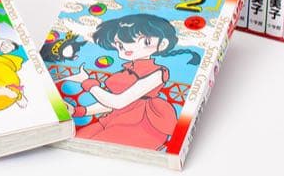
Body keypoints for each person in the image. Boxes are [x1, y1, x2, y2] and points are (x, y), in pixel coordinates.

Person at [69, 14, 199, 150]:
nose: (128, 48)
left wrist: (87, 83)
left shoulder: (158, 73)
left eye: (145, 42)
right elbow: (111, 105)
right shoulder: (126, 71)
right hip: (114, 117)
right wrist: (79, 111)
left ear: (162, 44)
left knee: (95, 145)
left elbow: (118, 102)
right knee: (78, 137)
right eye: (120, 45)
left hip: (143, 125)